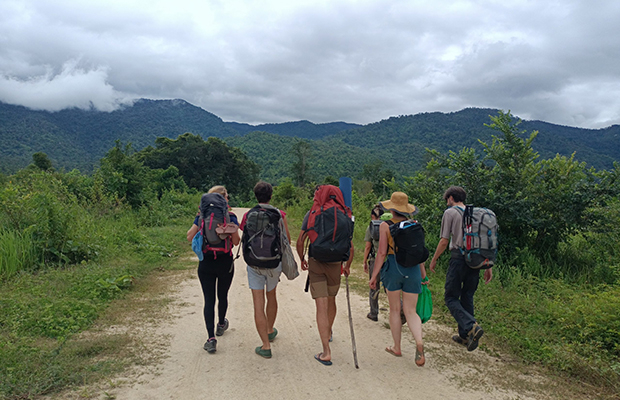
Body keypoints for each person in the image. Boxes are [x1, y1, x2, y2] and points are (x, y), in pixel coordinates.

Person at [429, 186, 492, 352]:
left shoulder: (450, 213)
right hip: (476, 259)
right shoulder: (476, 213)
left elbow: (444, 240)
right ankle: (465, 336)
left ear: (450, 197)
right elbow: (485, 240)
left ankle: (471, 326)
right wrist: (488, 264)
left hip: (458, 258)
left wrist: (434, 259)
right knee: (467, 296)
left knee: (450, 297)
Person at [296, 185, 354, 366]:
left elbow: (300, 241)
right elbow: (350, 246)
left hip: (317, 262)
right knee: (331, 300)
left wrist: (302, 259)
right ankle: (328, 332)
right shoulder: (345, 214)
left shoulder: (313, 212)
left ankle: (326, 352)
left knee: (321, 305)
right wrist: (348, 265)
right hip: (336, 264)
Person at [369, 191, 427, 367]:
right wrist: (423, 275)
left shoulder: (385, 226)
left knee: (395, 310)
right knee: (411, 311)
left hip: (394, 268)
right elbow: (419, 253)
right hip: (413, 269)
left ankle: (397, 347)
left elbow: (381, 253)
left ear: (392, 208)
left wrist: (374, 276)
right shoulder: (414, 224)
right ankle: (419, 342)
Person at [239, 181, 292, 359]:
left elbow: (243, 235)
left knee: (258, 304)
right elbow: (287, 240)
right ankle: (270, 329)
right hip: (273, 263)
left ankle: (265, 345)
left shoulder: (248, 214)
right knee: (272, 295)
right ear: (271, 195)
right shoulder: (279, 214)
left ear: (255, 196)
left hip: (254, 264)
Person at [186, 185, 240, 354]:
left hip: (206, 263)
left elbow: (189, 236)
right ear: (225, 199)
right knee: (222, 295)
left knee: (209, 299)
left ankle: (210, 339)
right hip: (225, 262)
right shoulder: (230, 217)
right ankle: (221, 323)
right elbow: (237, 241)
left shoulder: (201, 218)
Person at [363, 205, 383, 321]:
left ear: (372, 216)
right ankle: (399, 308)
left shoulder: (372, 227)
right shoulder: (390, 225)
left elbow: (367, 246)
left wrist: (364, 261)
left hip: (375, 260)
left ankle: (373, 313)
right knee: (390, 288)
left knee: (374, 285)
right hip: (390, 260)